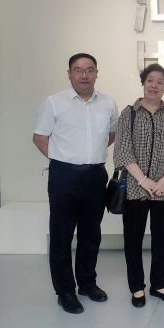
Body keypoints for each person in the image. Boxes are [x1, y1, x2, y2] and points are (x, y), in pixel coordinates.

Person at [33, 53, 119, 314]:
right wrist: (63, 159)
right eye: (78, 70)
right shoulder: (53, 102)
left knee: (91, 234)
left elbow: (111, 134)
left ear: (96, 73)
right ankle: (65, 291)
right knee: (61, 235)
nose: (84, 75)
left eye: (89, 70)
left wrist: (88, 156)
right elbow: (39, 137)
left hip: (95, 174)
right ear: (69, 73)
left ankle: (87, 283)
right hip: (64, 176)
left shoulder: (108, 103)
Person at [113, 63, 164, 308]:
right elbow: (123, 151)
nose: (154, 85)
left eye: (160, 82)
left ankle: (158, 284)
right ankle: (137, 287)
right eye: (150, 80)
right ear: (143, 83)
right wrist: (144, 181)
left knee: (161, 238)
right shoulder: (129, 114)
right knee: (133, 239)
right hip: (135, 188)